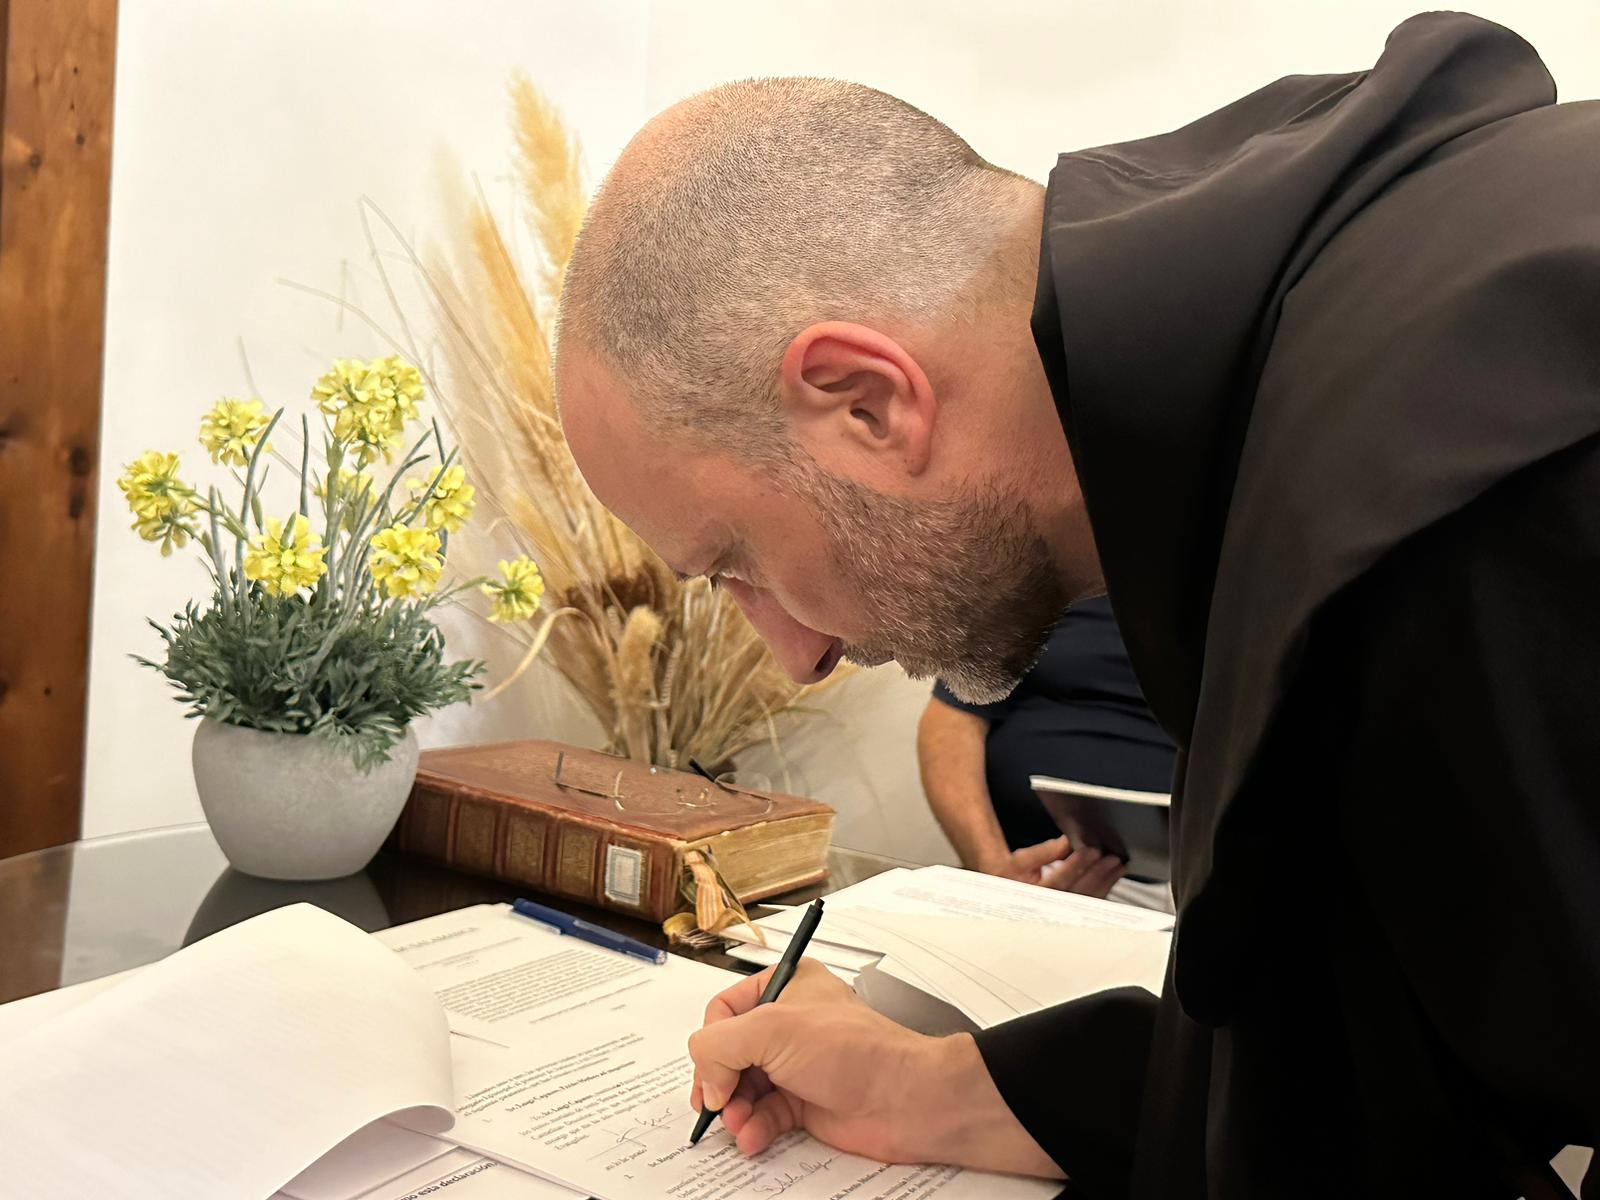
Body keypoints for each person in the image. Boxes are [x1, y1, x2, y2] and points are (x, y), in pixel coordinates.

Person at [552, 13, 1600, 1198]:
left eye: (736, 559)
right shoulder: (1305, 349)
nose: (792, 659)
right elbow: (1356, 1068)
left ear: (865, 402)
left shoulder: (1466, 495)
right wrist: (931, 1087)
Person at [919, 600, 1175, 900]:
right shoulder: (1037, 593)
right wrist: (994, 871)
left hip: (1187, 881)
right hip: (1029, 871)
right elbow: (951, 722)